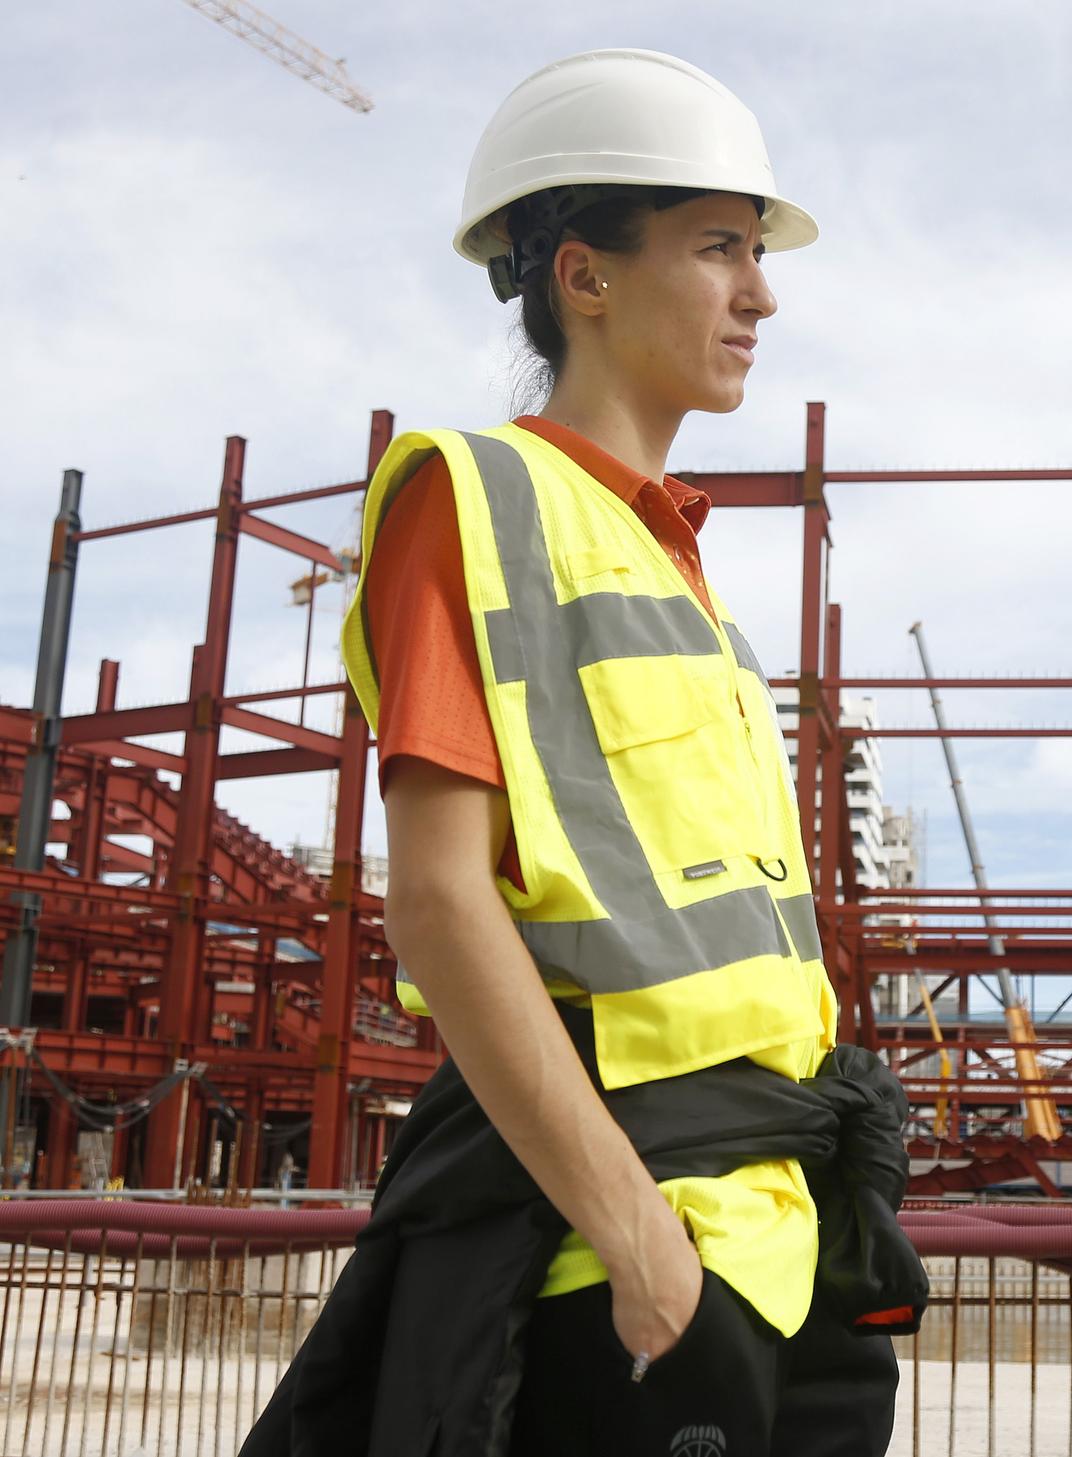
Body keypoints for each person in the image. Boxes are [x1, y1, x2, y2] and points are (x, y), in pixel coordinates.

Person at [242, 50, 921, 1457]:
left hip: (789, 1244)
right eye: (720, 245)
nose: (762, 292)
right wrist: (633, 1230)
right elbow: (438, 895)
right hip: (633, 1259)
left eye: (757, 250)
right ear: (584, 275)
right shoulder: (474, 497)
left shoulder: (684, 574)